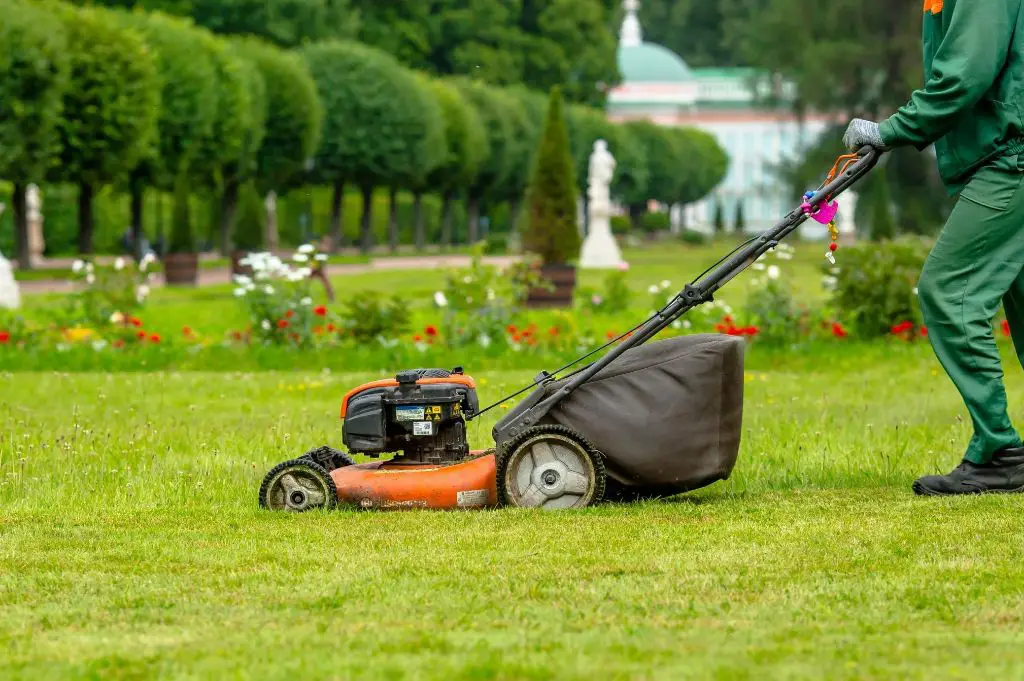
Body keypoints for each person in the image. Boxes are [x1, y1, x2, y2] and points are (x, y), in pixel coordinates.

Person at [843, 0, 1024, 495]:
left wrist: (890, 130)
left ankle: (1000, 453)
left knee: (950, 291)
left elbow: (966, 74)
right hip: (1005, 153)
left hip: (1013, 158)